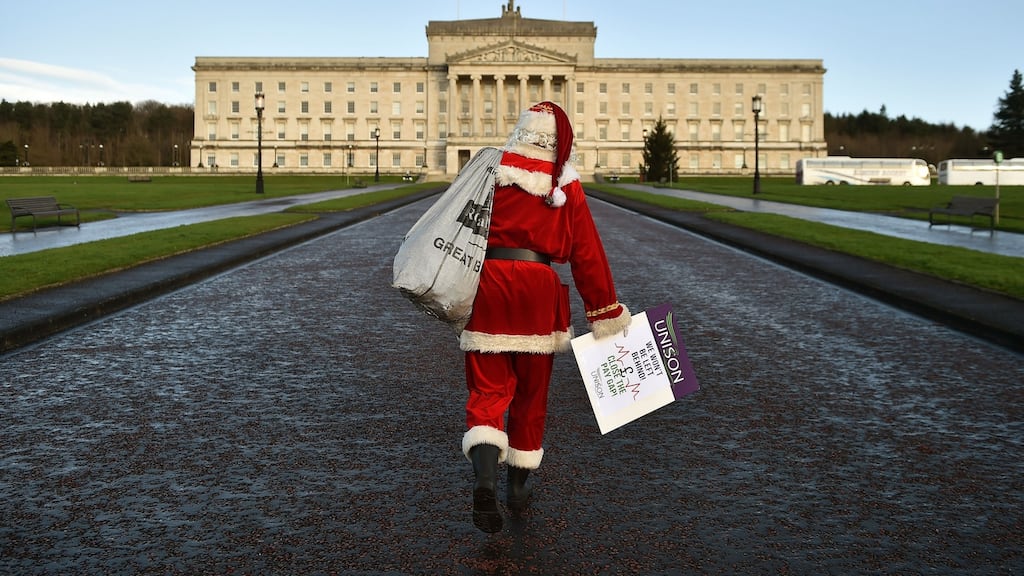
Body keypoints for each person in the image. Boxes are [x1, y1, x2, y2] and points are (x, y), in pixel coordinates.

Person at [459, 101, 632, 533]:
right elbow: (587, 253)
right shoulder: (565, 185)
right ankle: (517, 486)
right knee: (532, 395)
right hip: (537, 289)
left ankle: (484, 478)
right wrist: (605, 310)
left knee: (487, 389)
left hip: (489, 285)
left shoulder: (488, 170)